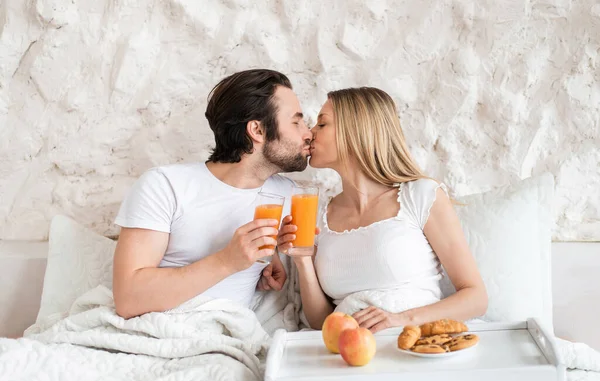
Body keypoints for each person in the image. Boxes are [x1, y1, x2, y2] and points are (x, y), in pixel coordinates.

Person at [278, 87, 488, 333]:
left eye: (322, 125)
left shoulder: (420, 196)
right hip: (352, 353)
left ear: (356, 131)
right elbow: (322, 322)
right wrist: (302, 260)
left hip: (416, 342)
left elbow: (476, 298)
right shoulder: (320, 214)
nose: (310, 133)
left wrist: (402, 320)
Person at [112, 69, 312, 319]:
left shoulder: (292, 196)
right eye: (296, 122)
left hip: (228, 335)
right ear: (257, 131)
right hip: (162, 330)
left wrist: (262, 267)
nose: (308, 133)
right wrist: (227, 262)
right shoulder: (165, 185)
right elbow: (128, 299)